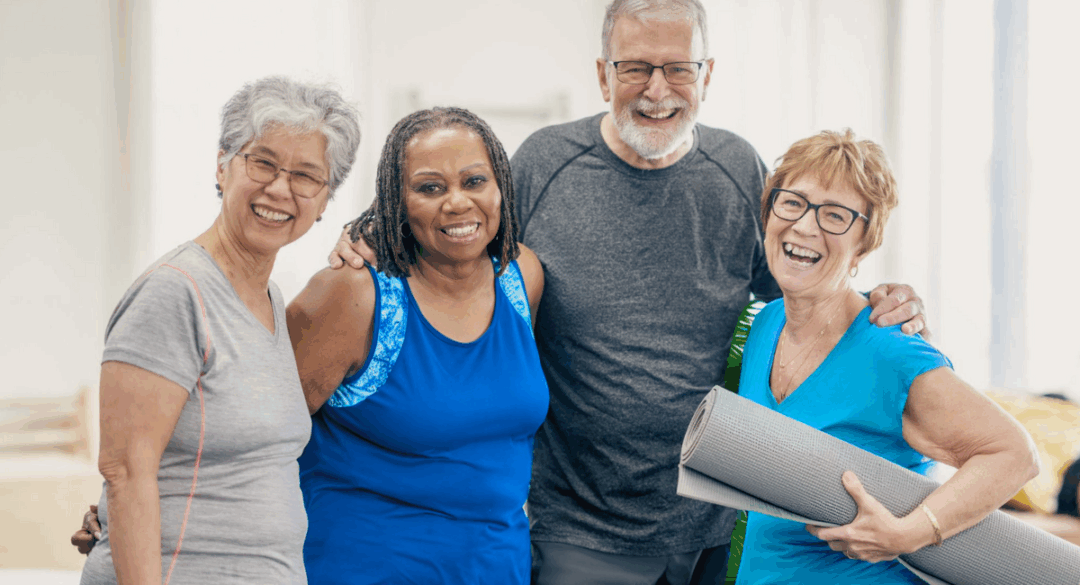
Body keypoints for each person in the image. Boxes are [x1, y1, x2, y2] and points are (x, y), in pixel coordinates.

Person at [329, 2, 927, 583]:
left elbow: (803, 293)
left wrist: (881, 297)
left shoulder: (738, 168)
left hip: (713, 519)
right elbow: (461, 212)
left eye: (678, 68)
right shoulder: (546, 161)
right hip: (578, 525)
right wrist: (366, 230)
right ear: (602, 74)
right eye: (635, 67)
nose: (657, 89)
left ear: (707, 75)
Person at [79, 76, 361, 584]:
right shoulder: (176, 292)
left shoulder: (271, 299)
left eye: (305, 176)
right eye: (263, 162)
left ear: (324, 202)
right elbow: (125, 472)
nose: (279, 188)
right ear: (222, 166)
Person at [733, 129, 1037, 583]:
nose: (805, 226)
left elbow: (1015, 454)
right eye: (793, 202)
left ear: (864, 241)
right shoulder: (766, 324)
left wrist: (908, 533)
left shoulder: (890, 350)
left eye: (835, 215)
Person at [288, 106, 547, 584]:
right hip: (364, 567)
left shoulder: (521, 275)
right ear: (396, 202)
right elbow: (254, 437)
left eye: (474, 181)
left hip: (497, 568)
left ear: (500, 189)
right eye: (430, 188)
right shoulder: (352, 294)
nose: (457, 202)